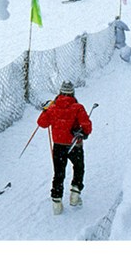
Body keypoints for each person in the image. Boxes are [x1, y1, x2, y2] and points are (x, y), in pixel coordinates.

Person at [36, 81, 93, 213]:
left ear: (60, 92)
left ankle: (57, 202)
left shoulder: (53, 108)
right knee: (79, 167)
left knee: (59, 172)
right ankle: (75, 193)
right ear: (72, 92)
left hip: (58, 146)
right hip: (75, 145)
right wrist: (83, 132)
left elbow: (42, 123)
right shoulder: (78, 107)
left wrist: (46, 110)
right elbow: (87, 127)